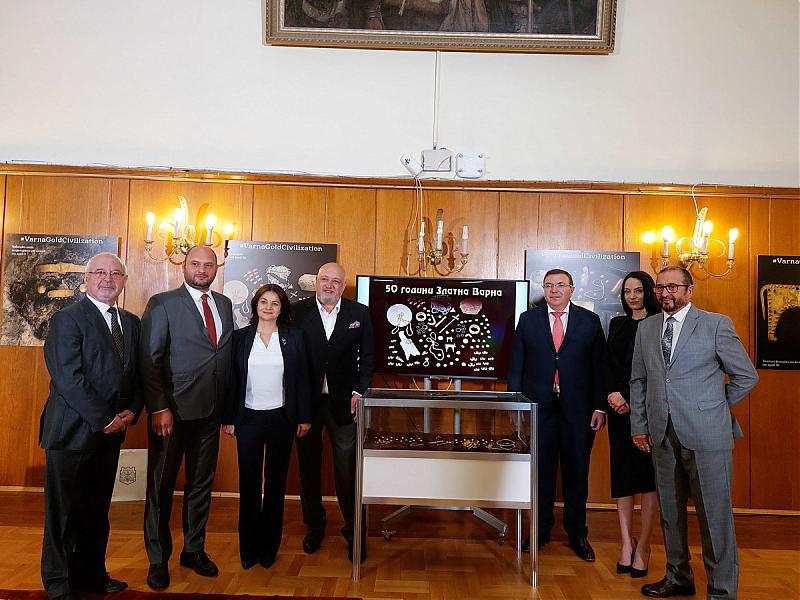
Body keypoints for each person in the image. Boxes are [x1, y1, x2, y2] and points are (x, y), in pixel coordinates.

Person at [630, 267, 758, 599]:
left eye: (673, 286)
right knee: (670, 513)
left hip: (707, 435)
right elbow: (639, 381)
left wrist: (713, 406)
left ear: (689, 290)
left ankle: (722, 591)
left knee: (714, 517)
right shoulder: (646, 328)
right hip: (661, 434)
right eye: (660, 287)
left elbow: (746, 375)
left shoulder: (716, 325)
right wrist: (639, 426)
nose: (665, 293)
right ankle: (678, 577)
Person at [39, 252, 142, 600]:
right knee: (63, 514)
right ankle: (59, 585)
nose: (107, 278)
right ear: (86, 279)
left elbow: (136, 374)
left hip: (111, 435)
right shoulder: (68, 318)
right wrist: (105, 419)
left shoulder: (131, 322)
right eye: (99, 272)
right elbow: (69, 378)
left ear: (124, 281)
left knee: (96, 511)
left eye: (115, 273)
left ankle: (92, 576)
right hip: (71, 433)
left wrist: (131, 411)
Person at [139, 245, 233, 590]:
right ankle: (157, 559)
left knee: (201, 485)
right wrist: (158, 407)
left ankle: (193, 550)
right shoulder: (162, 304)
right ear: (184, 266)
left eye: (208, 264)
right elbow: (150, 360)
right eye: (195, 263)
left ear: (216, 268)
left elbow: (222, 356)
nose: (202, 269)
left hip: (211, 412)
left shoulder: (224, 304)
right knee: (161, 487)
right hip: (172, 413)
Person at [508, 268, 606, 561]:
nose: (554, 290)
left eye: (561, 285)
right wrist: (515, 405)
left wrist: (599, 406)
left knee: (577, 473)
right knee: (542, 473)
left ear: (572, 289)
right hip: (539, 408)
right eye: (549, 285)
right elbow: (516, 364)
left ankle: (578, 534)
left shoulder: (589, 321)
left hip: (579, 410)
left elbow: (599, 367)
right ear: (544, 289)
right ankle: (539, 531)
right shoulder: (528, 320)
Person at [222, 284, 313, 570]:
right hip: (248, 418)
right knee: (249, 484)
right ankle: (248, 549)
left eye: (275, 303)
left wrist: (304, 416)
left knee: (275, 484)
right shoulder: (240, 337)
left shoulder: (294, 337)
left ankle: (269, 548)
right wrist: (229, 418)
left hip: (282, 419)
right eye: (264, 301)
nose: (269, 307)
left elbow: (303, 379)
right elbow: (232, 379)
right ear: (256, 305)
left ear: (282, 308)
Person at [293, 262, 375, 562]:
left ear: (343, 286)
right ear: (316, 281)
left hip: (344, 404)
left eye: (336, 281)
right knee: (308, 468)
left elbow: (369, 357)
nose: (329, 285)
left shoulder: (359, 313)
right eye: (324, 279)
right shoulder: (296, 312)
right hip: (306, 404)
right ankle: (314, 526)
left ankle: (354, 533)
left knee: (347, 471)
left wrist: (359, 392)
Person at [605, 271, 660, 578]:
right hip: (618, 412)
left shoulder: (660, 324)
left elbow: (657, 371)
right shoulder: (617, 324)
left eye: (638, 290)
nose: (633, 296)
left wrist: (631, 399)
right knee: (623, 478)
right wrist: (613, 394)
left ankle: (645, 546)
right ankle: (627, 542)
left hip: (649, 413)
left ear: (648, 291)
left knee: (648, 480)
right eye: (627, 291)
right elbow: (608, 364)